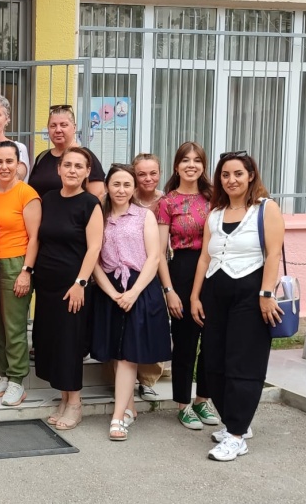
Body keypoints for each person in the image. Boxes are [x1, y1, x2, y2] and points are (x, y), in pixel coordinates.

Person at [190, 151, 285, 462]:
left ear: (250, 176)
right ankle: (235, 419)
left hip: (251, 294)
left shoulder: (266, 209)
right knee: (213, 362)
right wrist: (194, 296)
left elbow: (273, 255)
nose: (231, 180)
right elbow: (205, 257)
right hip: (215, 294)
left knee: (244, 363)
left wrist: (266, 293)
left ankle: (236, 435)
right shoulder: (214, 214)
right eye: (226, 175)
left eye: (238, 174)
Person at [90, 164, 172, 441]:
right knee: (117, 350)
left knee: (128, 355)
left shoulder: (144, 216)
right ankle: (130, 408)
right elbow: (94, 259)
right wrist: (112, 293)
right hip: (109, 287)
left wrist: (133, 292)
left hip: (139, 286)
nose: (121, 190)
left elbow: (154, 257)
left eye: (127, 184)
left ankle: (117, 417)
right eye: (116, 184)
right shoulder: (99, 216)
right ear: (107, 187)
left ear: (134, 188)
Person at [32, 147, 104, 431]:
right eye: (67, 165)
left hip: (72, 285)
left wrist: (80, 283)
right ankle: (63, 398)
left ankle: (75, 402)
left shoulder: (90, 204)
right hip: (47, 284)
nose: (72, 170)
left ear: (87, 172)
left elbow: (95, 247)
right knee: (52, 341)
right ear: (59, 169)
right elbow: (39, 238)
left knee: (70, 344)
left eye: (79, 166)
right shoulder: (48, 199)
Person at [157, 142, 220, 430]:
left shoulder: (215, 198)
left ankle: (202, 399)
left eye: (197, 160)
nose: (191, 165)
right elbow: (159, 252)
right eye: (185, 160)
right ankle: (183, 403)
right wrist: (169, 290)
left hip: (216, 270)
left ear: (204, 166)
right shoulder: (167, 202)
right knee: (185, 341)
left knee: (212, 340)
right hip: (181, 269)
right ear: (176, 166)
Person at [0, 141, 40, 407]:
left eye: (9, 161)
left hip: (16, 263)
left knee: (14, 326)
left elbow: (35, 237)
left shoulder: (27, 194)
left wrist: (26, 271)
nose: (4, 167)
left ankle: (17, 380)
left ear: (18, 164)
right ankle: (4, 374)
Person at [114, 152, 167, 400]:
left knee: (146, 328)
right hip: (121, 272)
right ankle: (121, 383)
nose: (147, 178)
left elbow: (157, 253)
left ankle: (147, 379)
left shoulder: (163, 202)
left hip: (155, 268)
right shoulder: (118, 200)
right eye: (142, 174)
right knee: (122, 334)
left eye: (152, 173)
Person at [28, 106, 106, 201]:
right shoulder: (42, 157)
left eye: (63, 125)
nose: (58, 130)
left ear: (74, 128)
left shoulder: (85, 156)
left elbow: (98, 196)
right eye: (53, 126)